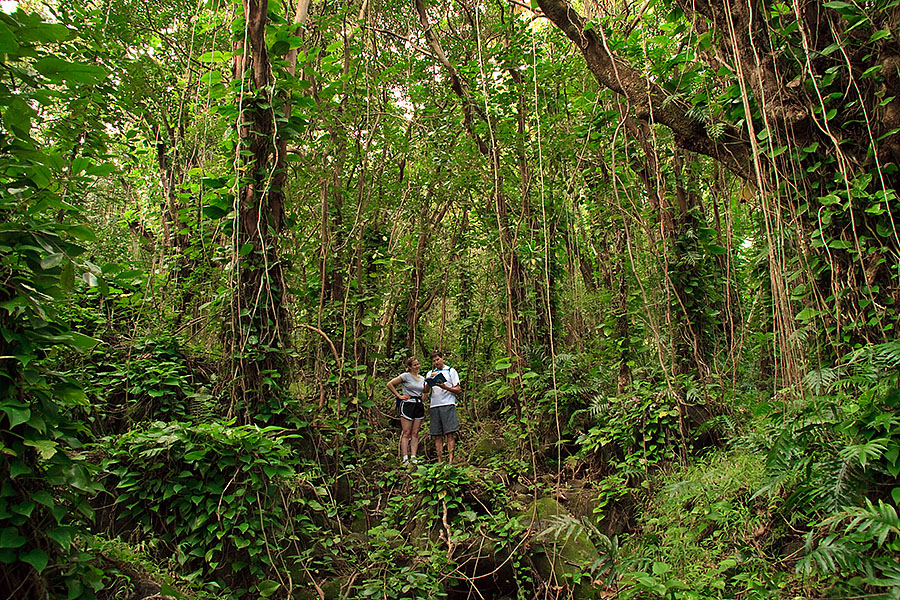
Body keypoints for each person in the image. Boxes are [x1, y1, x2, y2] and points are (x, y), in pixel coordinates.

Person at [386, 357, 426, 464]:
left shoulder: (422, 378)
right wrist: (399, 395)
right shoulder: (405, 376)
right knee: (406, 432)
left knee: (415, 432)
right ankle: (405, 458)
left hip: (418, 405)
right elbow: (390, 384)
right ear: (409, 367)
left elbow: (425, 391)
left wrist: (423, 398)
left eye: (418, 364)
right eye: (414, 365)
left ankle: (413, 456)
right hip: (408, 404)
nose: (417, 366)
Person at [425, 350, 461, 463]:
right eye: (434, 361)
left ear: (442, 358)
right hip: (434, 405)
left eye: (437, 359)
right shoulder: (430, 372)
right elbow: (425, 391)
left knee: (450, 433)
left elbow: (458, 389)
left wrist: (446, 387)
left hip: (448, 404)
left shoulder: (451, 371)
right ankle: (440, 461)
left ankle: (450, 460)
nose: (436, 362)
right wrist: (429, 381)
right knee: (437, 435)